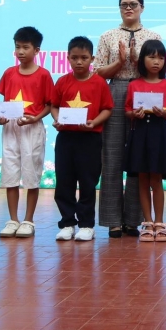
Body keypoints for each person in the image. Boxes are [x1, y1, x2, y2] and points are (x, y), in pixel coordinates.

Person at [95, 0, 162, 238]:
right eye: (124, 5)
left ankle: (133, 220)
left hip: (144, 92)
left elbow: (157, 69)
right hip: (115, 90)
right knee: (111, 155)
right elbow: (99, 72)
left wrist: (136, 60)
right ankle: (112, 220)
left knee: (138, 156)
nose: (129, 8)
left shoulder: (153, 37)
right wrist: (120, 62)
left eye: (133, 4)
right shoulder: (107, 36)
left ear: (142, 7)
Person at [53, 36, 114, 242]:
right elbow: (54, 105)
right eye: (74, 58)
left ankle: (87, 225)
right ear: (68, 58)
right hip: (65, 138)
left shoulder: (99, 83)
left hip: (90, 139)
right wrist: (57, 119)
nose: (79, 62)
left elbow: (107, 109)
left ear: (92, 59)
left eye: (84, 58)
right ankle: (67, 223)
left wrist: (94, 122)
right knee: (64, 181)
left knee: (88, 182)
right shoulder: (62, 81)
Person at [0, 26, 54, 239]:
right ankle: (13, 219)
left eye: (25, 47)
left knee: (31, 174)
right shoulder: (9, 73)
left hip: (32, 128)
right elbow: (5, 102)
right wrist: (1, 117)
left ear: (36, 50)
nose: (20, 51)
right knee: (10, 173)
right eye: (17, 47)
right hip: (10, 128)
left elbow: (50, 104)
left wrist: (36, 118)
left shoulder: (44, 75)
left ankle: (28, 220)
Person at [124, 39, 166, 243]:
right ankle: (147, 223)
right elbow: (128, 110)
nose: (156, 61)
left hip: (159, 131)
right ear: (142, 60)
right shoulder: (134, 84)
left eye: (161, 58)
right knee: (142, 178)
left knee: (156, 179)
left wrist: (164, 113)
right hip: (139, 131)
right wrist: (134, 114)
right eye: (152, 57)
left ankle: (160, 222)